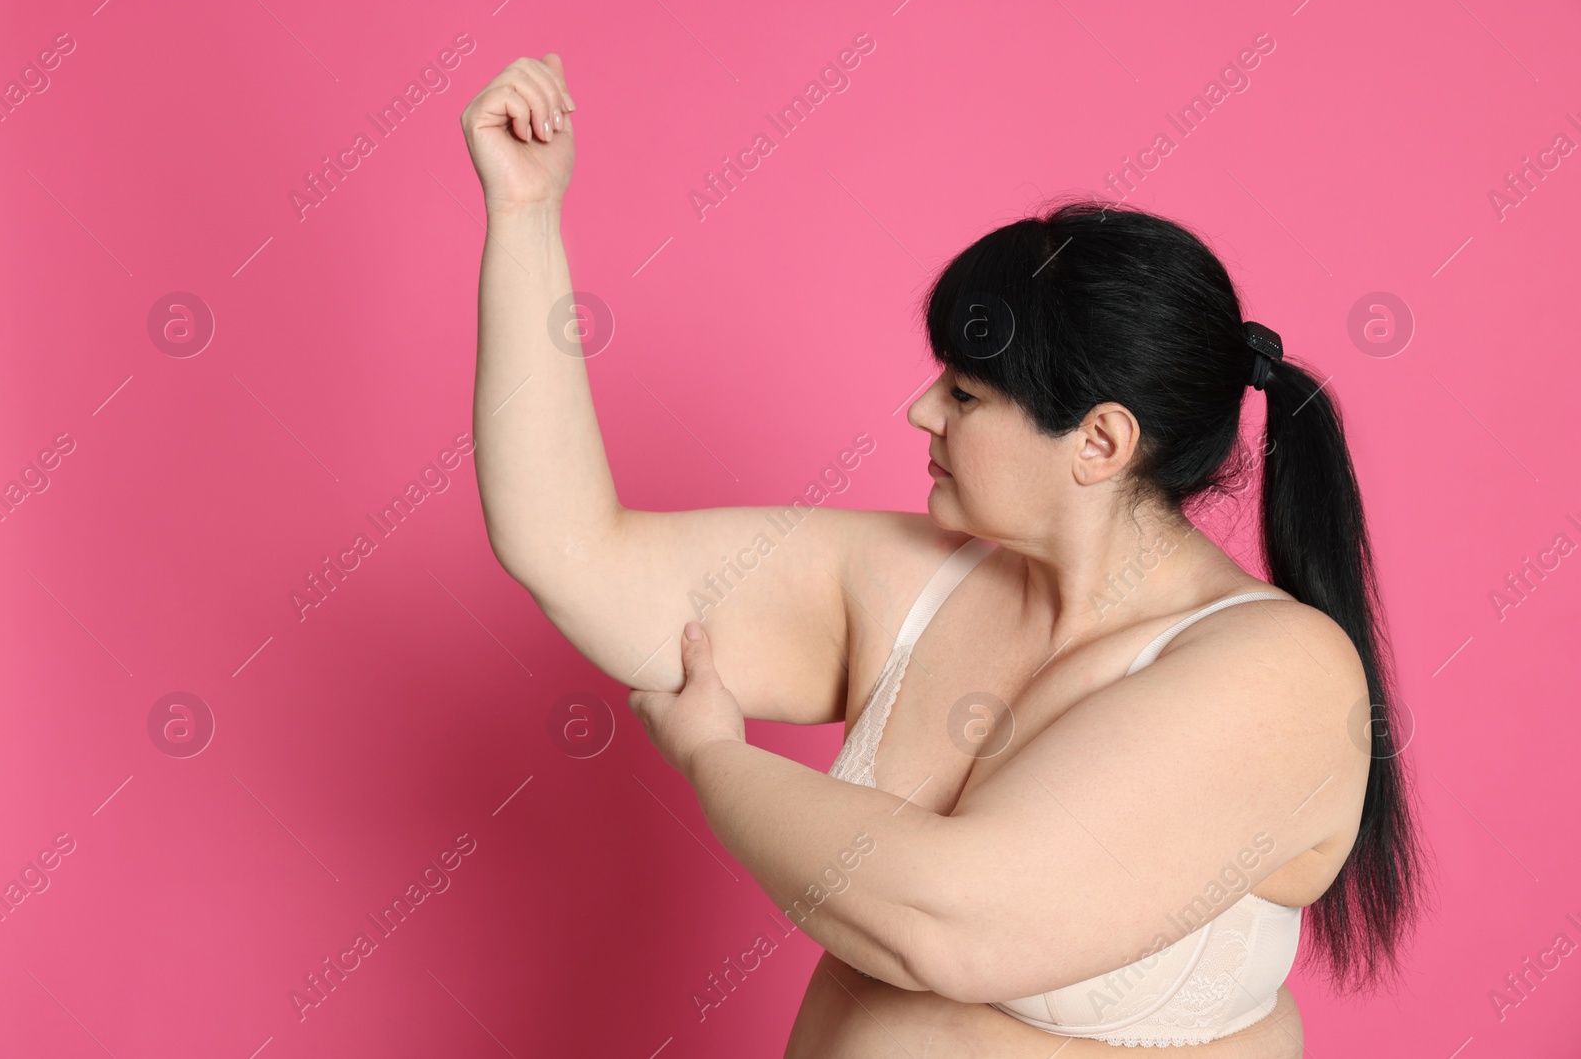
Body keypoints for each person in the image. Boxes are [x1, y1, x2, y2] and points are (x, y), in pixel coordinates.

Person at [460, 54, 1424, 1056]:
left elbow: (950, 923)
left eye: (964, 396)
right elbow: (569, 550)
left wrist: (712, 757)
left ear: (1098, 441)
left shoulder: (1280, 674)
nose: (921, 411)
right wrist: (526, 217)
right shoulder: (911, 581)